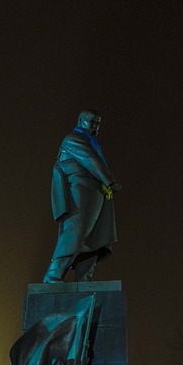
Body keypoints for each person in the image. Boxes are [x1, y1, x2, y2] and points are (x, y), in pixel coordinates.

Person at [43, 110, 122, 283]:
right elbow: (91, 159)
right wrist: (110, 181)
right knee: (77, 230)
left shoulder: (88, 140)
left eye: (98, 123)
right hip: (81, 191)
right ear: (80, 120)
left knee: (94, 237)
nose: (95, 126)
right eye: (92, 121)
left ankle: (84, 278)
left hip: (96, 192)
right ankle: (53, 274)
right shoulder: (73, 139)